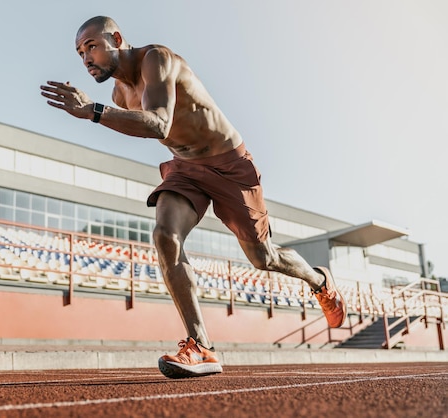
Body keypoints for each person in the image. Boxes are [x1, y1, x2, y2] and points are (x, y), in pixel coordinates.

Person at [40, 16, 346, 379]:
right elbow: (143, 127)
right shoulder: (118, 94)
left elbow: (158, 124)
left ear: (116, 38)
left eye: (91, 46)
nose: (86, 58)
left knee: (263, 257)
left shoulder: (157, 59)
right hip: (186, 168)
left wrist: (91, 111)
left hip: (229, 164)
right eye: (79, 53)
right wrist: (98, 111)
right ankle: (200, 345)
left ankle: (319, 281)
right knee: (164, 236)